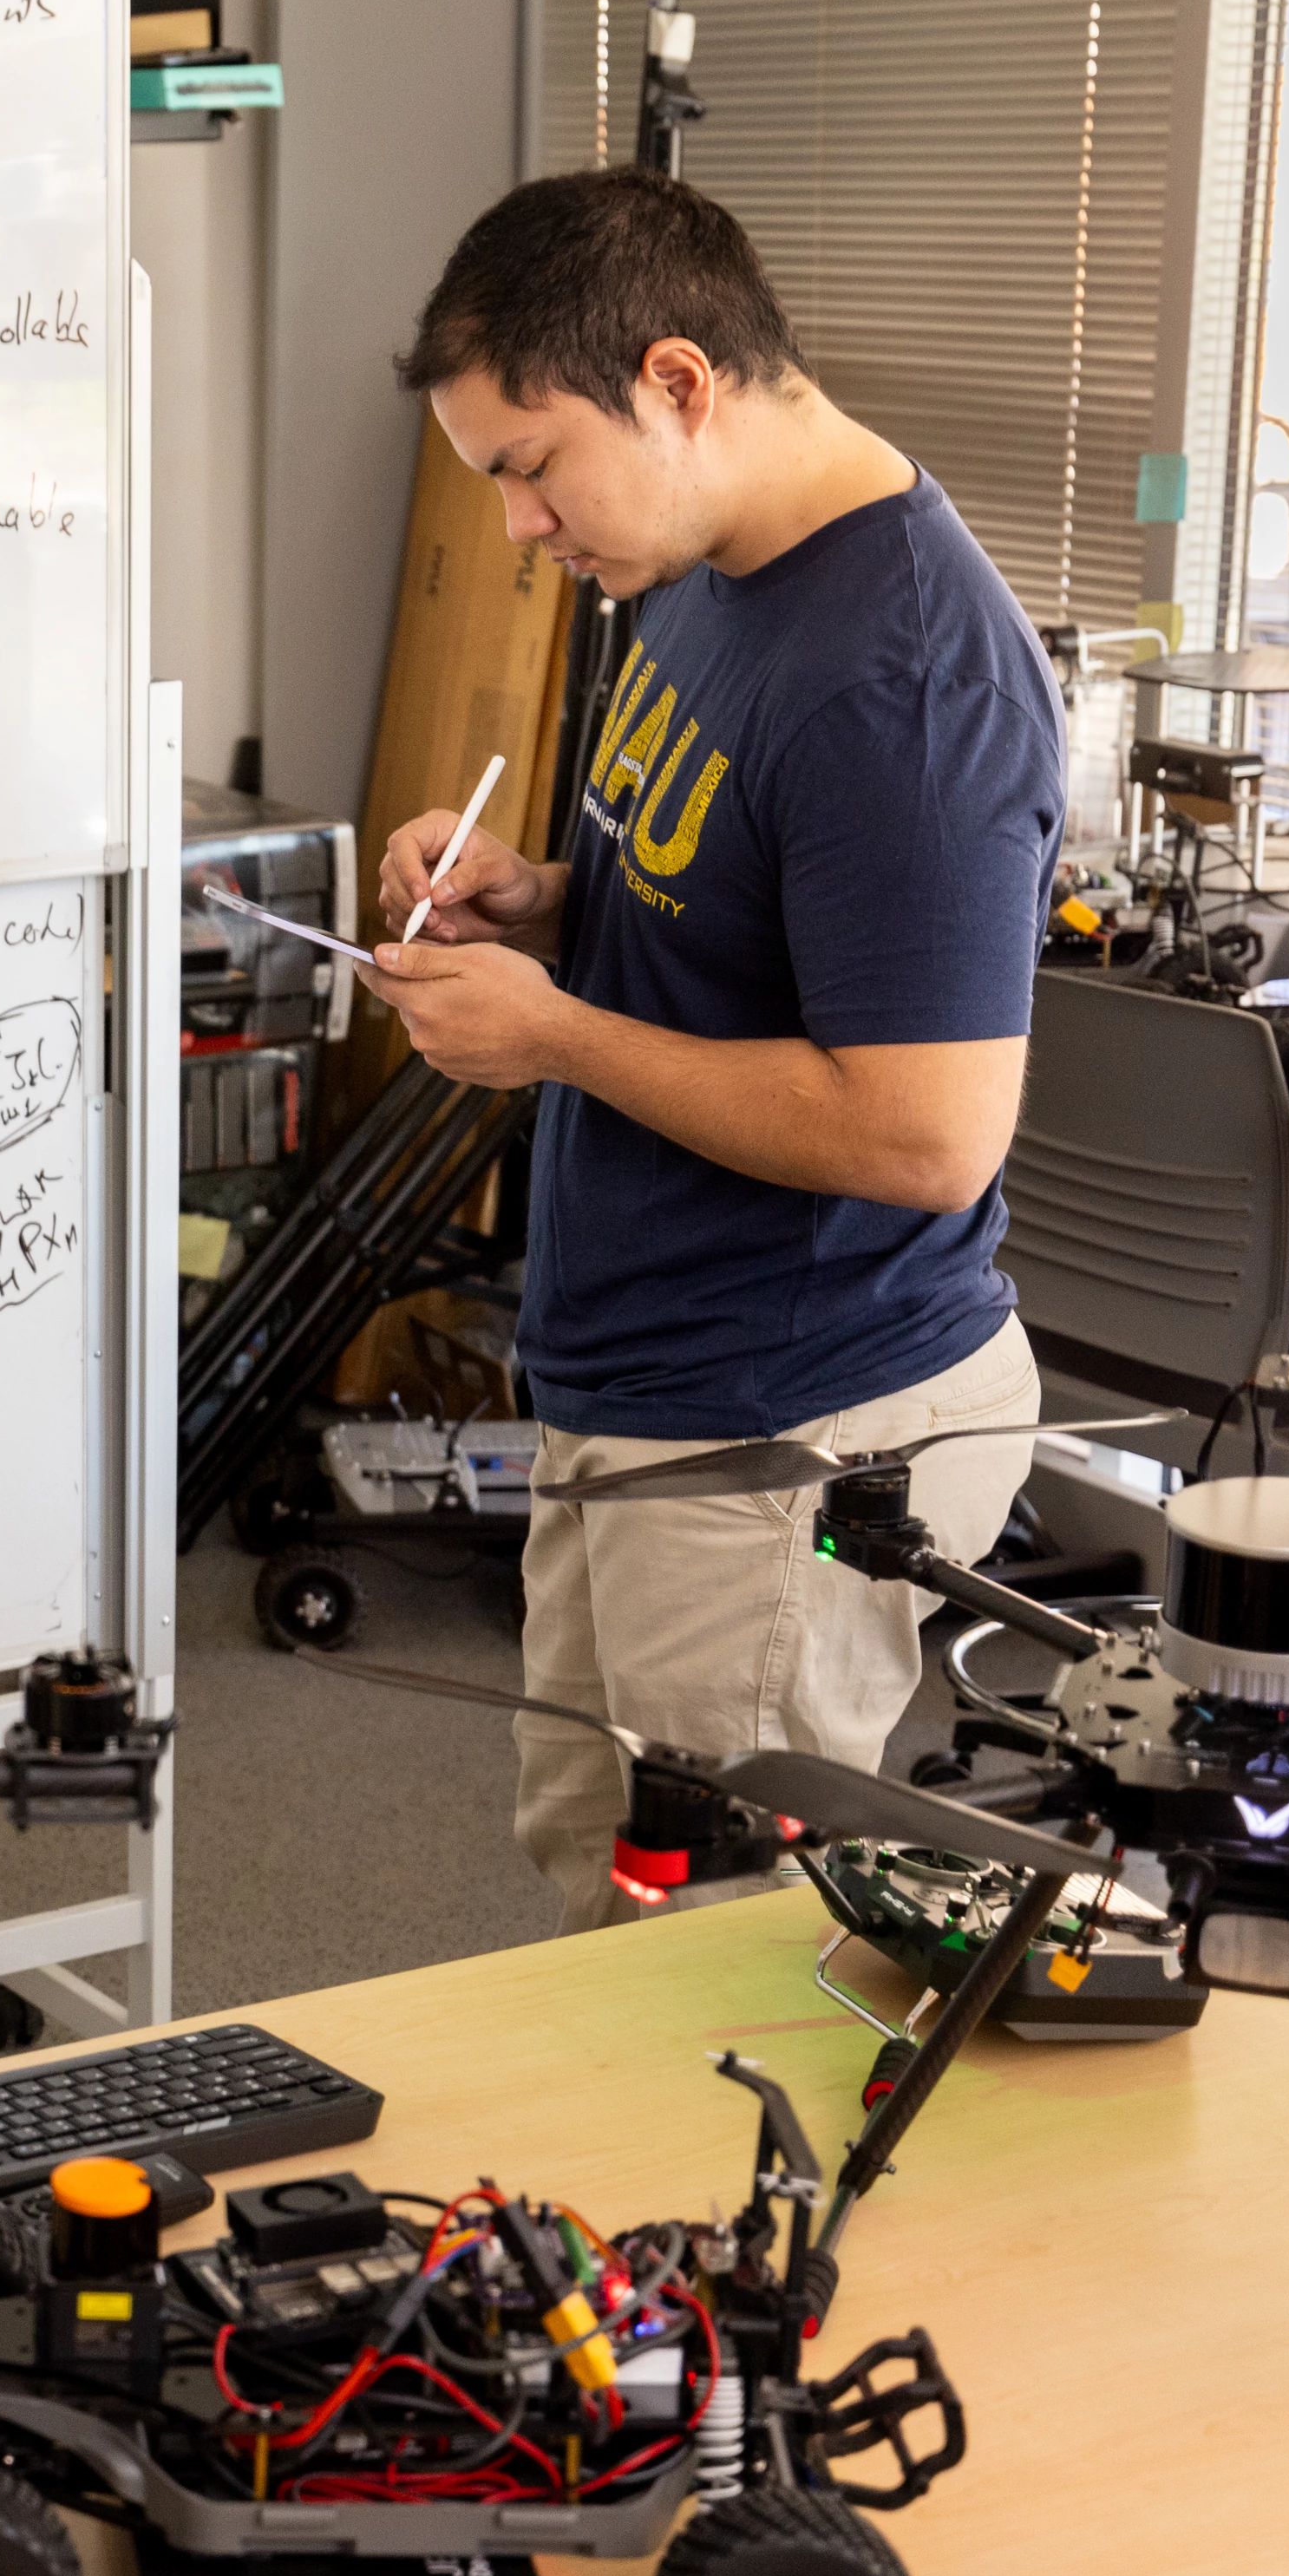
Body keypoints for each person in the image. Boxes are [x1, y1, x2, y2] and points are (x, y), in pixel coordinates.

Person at [364, 169, 1060, 1936]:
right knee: (605, 1878)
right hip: (650, 1383)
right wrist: (539, 905)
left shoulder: (901, 676)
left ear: (677, 383)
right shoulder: (695, 562)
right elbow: (718, 915)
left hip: (794, 1416)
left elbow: (923, 1139)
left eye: (529, 467)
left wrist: (556, 1037)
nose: (517, 528)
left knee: (715, 1948)